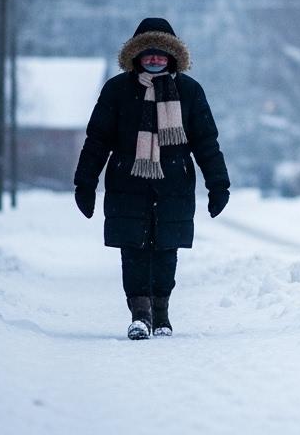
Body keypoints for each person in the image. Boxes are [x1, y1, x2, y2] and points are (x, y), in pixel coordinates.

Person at [73, 18, 230, 340]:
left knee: (165, 251)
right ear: (136, 56)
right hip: (127, 181)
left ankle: (161, 315)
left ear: (172, 57)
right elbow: (97, 140)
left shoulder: (189, 91)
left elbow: (206, 142)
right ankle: (140, 315)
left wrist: (218, 185)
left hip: (174, 183)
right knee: (132, 250)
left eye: (161, 54)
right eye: (149, 54)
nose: (155, 59)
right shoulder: (117, 90)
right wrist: (85, 182)